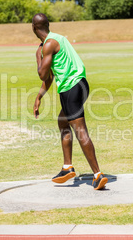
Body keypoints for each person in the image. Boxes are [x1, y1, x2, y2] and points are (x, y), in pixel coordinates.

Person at [32, 13, 108, 190]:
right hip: (81, 84)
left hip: (70, 88)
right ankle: (67, 167)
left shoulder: (48, 45)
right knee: (62, 121)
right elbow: (50, 78)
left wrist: (38, 56)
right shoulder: (58, 39)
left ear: (34, 28)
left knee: (80, 130)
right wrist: (39, 97)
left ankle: (98, 175)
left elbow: (43, 74)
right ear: (48, 25)